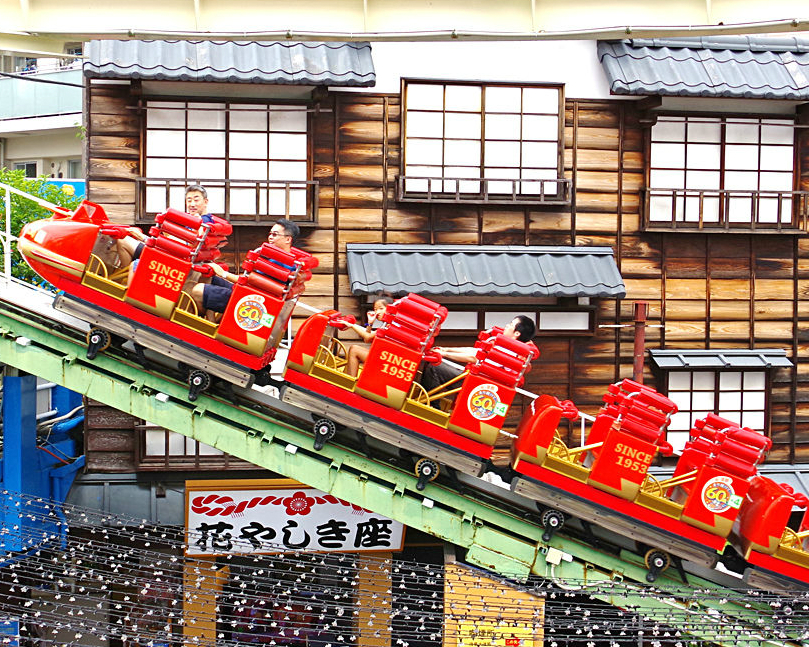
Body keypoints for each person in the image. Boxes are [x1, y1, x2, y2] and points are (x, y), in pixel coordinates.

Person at [191, 218, 301, 316]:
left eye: (275, 235)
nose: (270, 238)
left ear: (288, 239)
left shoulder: (282, 263)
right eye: (270, 234)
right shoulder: (282, 259)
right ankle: (211, 321)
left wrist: (223, 273)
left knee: (197, 290)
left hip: (249, 300)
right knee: (210, 278)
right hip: (248, 292)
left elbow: (250, 281)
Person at [419, 315, 537, 394]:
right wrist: (445, 350)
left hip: (477, 384)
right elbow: (475, 352)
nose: (506, 326)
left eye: (510, 324)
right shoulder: (507, 347)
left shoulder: (509, 351)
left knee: (433, 367)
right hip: (477, 381)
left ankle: (431, 406)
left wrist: (444, 354)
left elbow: (475, 358)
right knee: (436, 364)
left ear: (516, 333)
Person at [345, 296, 394, 377]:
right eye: (375, 309)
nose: (377, 312)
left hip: (384, 363)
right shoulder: (386, 324)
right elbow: (367, 340)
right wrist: (370, 323)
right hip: (382, 359)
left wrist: (351, 325)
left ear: (390, 309)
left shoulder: (389, 326)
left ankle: (349, 381)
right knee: (355, 349)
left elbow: (367, 337)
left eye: (381, 308)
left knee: (354, 349)